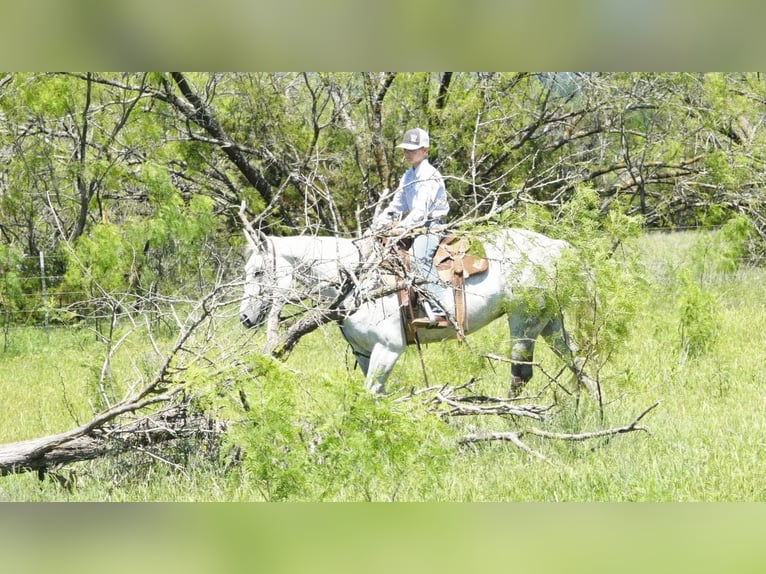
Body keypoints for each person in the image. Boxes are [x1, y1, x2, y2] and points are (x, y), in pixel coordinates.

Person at [373, 127, 450, 327]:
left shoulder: (430, 175)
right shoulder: (408, 176)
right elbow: (397, 205)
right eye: (406, 150)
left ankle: (440, 308)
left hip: (431, 226)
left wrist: (400, 229)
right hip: (413, 226)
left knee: (418, 256)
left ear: (425, 150)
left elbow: (419, 213)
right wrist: (379, 223)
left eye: (413, 150)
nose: (408, 153)